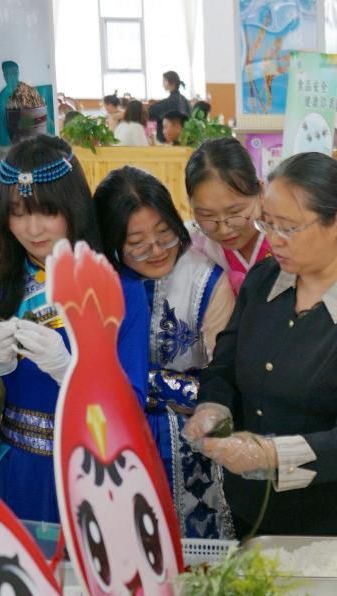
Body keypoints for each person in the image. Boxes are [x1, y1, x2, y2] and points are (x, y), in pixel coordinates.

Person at [183, 152, 337, 537]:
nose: (273, 240)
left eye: (289, 228)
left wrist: (269, 455)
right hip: (256, 510)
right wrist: (213, 409)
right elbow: (225, 367)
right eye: (267, 223)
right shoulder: (264, 280)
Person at [0, 135, 150, 523]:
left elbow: (131, 404)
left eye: (48, 211)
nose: (32, 228)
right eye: (17, 213)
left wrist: (70, 372)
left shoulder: (121, 288)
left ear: (74, 207)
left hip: (95, 472)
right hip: (15, 473)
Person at [93, 166, 236, 540]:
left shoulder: (206, 280)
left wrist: (142, 382)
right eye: (137, 242)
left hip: (191, 443)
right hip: (116, 441)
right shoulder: (98, 283)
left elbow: (223, 380)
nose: (156, 250)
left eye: (164, 234)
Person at [186, 137, 272, 293]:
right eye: (207, 215)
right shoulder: (193, 245)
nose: (224, 230)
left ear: (260, 191)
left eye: (235, 212)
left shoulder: (286, 235)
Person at [149, 70, 193, 142]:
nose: (162, 84)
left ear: (171, 82)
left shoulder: (170, 101)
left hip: (169, 140)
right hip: (184, 140)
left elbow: (151, 112)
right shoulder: (185, 101)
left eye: (164, 81)